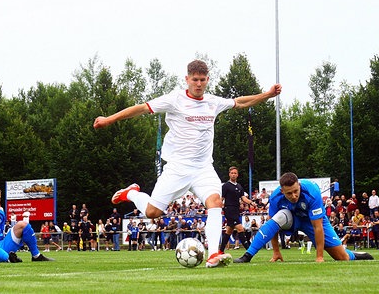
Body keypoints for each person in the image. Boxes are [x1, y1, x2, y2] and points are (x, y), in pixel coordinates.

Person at [95, 59, 282, 268]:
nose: (199, 84)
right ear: (187, 79)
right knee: (152, 213)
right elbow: (140, 109)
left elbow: (240, 102)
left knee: (214, 203)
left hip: (203, 168)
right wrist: (109, 119)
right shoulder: (174, 100)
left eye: (202, 80)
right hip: (177, 167)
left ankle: (213, 255)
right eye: (195, 80)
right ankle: (130, 193)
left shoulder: (213, 101)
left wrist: (267, 94)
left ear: (207, 80)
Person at [234, 172, 373, 263]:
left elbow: (317, 226)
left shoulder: (312, 192)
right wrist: (276, 251)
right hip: (292, 219)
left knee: (342, 257)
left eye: (296, 191)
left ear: (299, 185)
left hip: (313, 220)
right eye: (289, 193)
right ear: (282, 191)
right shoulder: (276, 197)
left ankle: (356, 254)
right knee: (279, 218)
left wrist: (319, 257)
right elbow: (272, 225)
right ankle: (247, 256)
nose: (294, 196)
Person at [0, 185, 54, 263]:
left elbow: (2, 232)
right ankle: (8, 258)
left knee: (23, 224)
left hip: (2, 245)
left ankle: (36, 256)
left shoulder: (0, 213)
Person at [220, 166, 257, 252]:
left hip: (236, 210)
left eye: (235, 173)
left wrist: (251, 202)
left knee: (229, 231)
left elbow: (243, 198)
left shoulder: (239, 186)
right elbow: (221, 198)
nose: (233, 175)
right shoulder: (226, 186)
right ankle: (249, 250)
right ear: (229, 174)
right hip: (229, 209)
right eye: (232, 173)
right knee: (240, 228)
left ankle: (221, 251)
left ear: (237, 175)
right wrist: (219, 207)